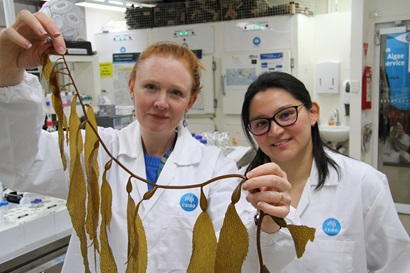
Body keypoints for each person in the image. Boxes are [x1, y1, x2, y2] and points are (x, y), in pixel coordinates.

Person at [0, 11, 297, 273]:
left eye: (176, 93)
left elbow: (246, 250)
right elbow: (20, 162)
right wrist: (7, 71)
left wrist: (270, 218)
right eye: (151, 87)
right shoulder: (93, 150)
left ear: (191, 101)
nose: (161, 102)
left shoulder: (214, 168)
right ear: (131, 87)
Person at [240, 71, 410, 272]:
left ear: (313, 113)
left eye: (286, 115)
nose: (275, 131)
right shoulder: (238, 188)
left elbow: (397, 265)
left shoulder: (363, 182)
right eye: (261, 123)